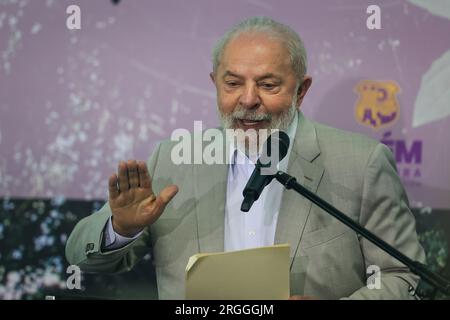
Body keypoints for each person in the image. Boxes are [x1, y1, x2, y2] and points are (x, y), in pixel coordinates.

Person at [65, 16, 425, 299]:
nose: (248, 100)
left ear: (301, 90)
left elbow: (403, 276)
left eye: (268, 85)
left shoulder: (361, 163)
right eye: (233, 83)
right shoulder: (173, 159)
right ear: (214, 83)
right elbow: (82, 257)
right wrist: (121, 228)